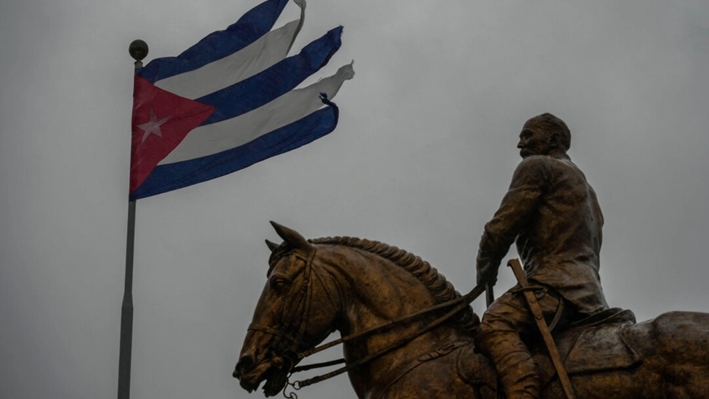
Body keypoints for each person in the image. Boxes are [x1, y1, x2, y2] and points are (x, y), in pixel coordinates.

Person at [474, 113, 609, 398]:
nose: (519, 143)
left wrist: (486, 268)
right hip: (590, 294)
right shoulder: (588, 191)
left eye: (527, 135)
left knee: (495, 324)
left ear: (553, 140)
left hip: (554, 286)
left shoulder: (537, 166)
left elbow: (501, 228)